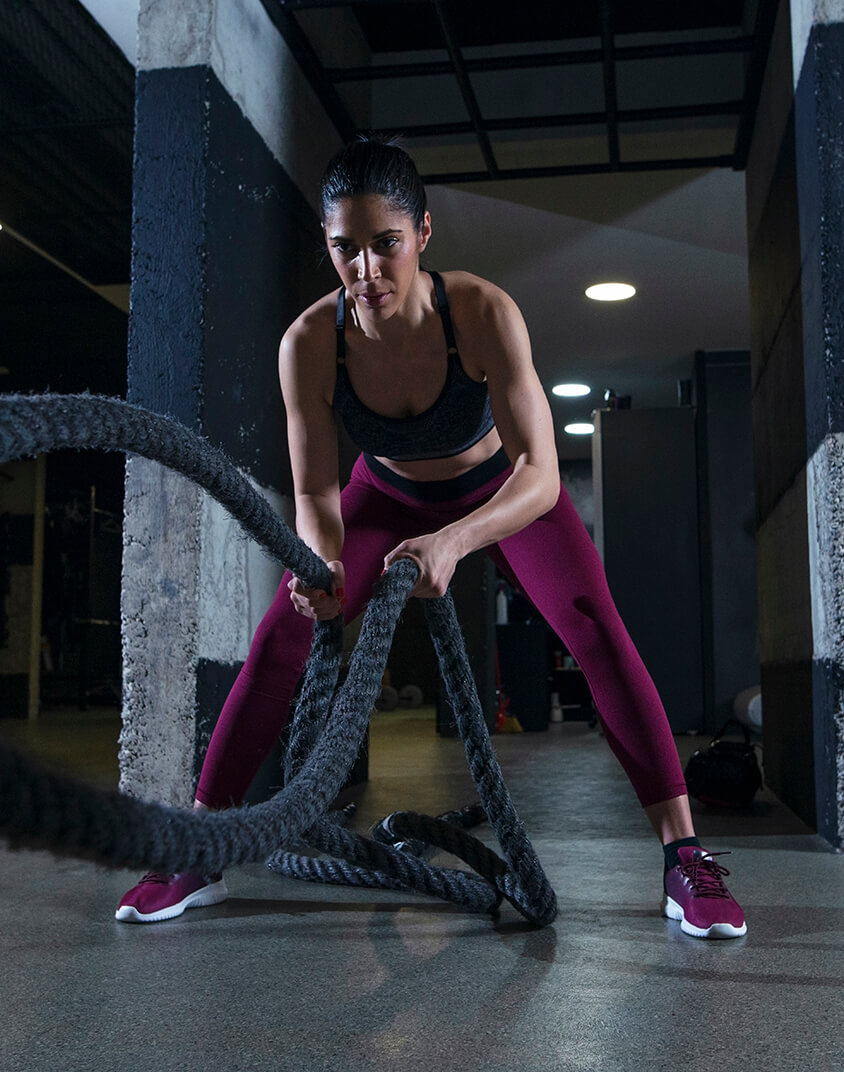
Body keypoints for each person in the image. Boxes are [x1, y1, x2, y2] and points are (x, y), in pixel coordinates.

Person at [113, 137, 746, 939]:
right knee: (284, 633)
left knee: (595, 628)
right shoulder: (310, 342)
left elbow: (542, 473)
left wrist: (452, 541)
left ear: (422, 235)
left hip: (501, 491)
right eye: (346, 249)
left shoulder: (480, 312)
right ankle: (196, 854)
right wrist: (325, 560)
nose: (367, 270)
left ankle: (685, 859)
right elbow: (314, 487)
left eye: (386, 244)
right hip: (384, 492)